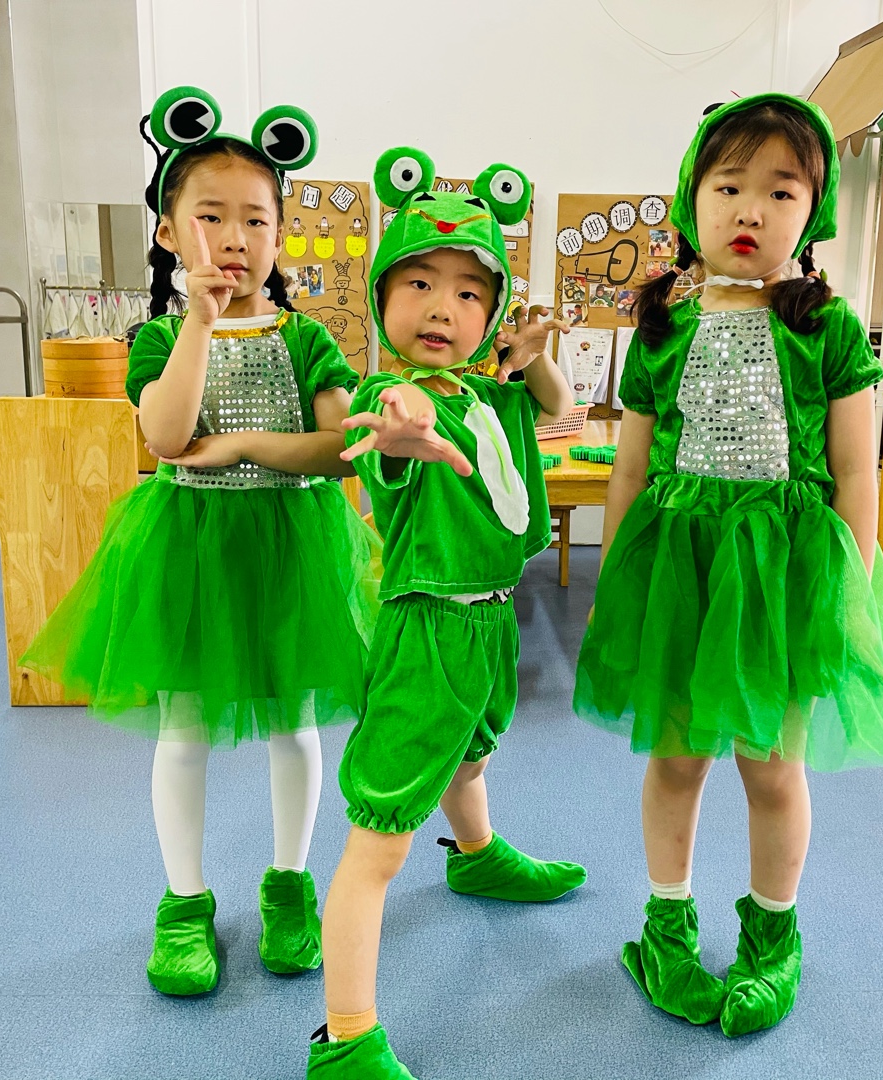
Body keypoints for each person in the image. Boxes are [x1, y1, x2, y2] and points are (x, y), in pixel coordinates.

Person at [22, 86, 379, 997]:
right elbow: (167, 436)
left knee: (294, 724)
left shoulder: (308, 338)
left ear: (280, 236)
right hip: (189, 549)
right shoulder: (156, 337)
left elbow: (343, 448)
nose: (234, 237)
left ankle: (289, 886)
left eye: (255, 219)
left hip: (293, 545)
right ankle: (184, 904)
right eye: (210, 216)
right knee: (182, 731)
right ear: (169, 233)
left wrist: (253, 446)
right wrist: (200, 324)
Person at [574, 93, 883, 1038]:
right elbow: (630, 469)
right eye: (728, 187)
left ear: (814, 211)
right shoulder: (661, 328)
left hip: (782, 577)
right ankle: (666, 928)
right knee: (677, 758)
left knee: (773, 766)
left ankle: (772, 936)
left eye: (780, 190)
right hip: (680, 571)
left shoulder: (828, 329)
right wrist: (616, 585)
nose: (749, 209)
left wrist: (848, 589)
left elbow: (856, 470)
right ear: (692, 201)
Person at [305, 149, 586, 1079]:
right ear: (383, 295)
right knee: (380, 836)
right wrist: (406, 437)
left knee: (472, 753)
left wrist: (532, 356)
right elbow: (387, 439)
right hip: (428, 628)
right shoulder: (389, 398)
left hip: (491, 620)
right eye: (420, 283)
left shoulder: (488, 392)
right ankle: (346, 1038)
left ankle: (476, 854)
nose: (442, 308)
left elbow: (559, 406)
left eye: (470, 293)